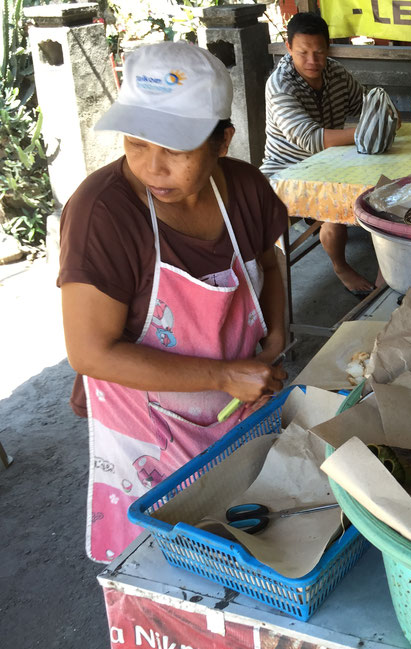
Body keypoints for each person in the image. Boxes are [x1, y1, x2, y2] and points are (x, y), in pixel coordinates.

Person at [58, 42, 289, 563]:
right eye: (136, 144)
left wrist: (275, 331)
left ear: (222, 141)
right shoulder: (103, 214)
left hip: (241, 409)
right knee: (167, 565)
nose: (152, 168)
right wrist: (223, 376)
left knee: (254, 543)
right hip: (149, 436)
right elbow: (91, 354)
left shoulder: (247, 189)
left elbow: (269, 263)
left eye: (176, 150)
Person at [261, 13, 377, 296]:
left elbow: (364, 103)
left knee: (382, 188)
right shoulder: (280, 85)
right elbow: (311, 138)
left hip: (331, 164)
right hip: (285, 173)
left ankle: (387, 271)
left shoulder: (335, 73)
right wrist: (370, 131)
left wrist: (381, 111)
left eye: (319, 52)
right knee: (336, 208)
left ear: (329, 49)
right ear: (288, 48)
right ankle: (340, 266)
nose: (312, 60)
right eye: (303, 52)